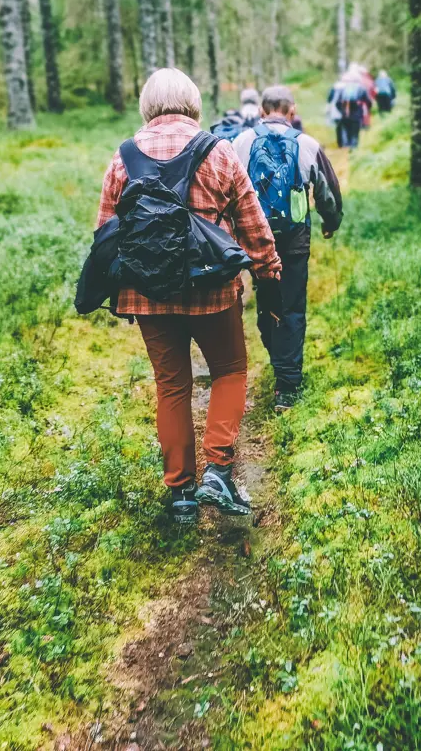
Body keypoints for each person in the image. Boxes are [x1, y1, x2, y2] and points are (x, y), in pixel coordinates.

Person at [96, 68, 282, 524]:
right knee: (231, 370)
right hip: (212, 289)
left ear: (147, 104)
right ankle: (217, 469)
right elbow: (253, 222)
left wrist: (119, 289)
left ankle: (180, 493)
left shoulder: (122, 158)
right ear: (193, 102)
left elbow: (106, 233)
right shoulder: (218, 152)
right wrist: (267, 269)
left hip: (148, 296)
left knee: (172, 386)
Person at [233, 85, 344, 411]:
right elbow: (327, 190)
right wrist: (331, 221)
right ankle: (288, 387)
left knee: (267, 300)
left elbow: (230, 186)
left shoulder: (242, 142)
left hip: (256, 239)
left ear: (264, 110)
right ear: (291, 110)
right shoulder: (306, 143)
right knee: (293, 306)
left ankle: (276, 355)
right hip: (294, 240)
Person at [328, 76, 368, 149]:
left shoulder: (343, 89)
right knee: (355, 133)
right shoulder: (361, 89)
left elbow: (337, 102)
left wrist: (342, 111)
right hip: (357, 114)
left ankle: (348, 146)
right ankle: (353, 148)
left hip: (345, 115)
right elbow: (368, 101)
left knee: (348, 130)